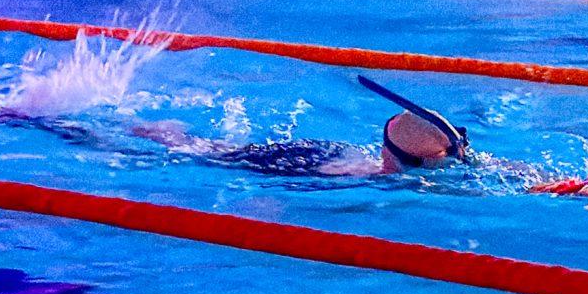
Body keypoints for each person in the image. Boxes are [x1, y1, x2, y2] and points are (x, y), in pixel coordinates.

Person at [132, 75, 470, 178]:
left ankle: (156, 131)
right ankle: (148, 132)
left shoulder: (390, 168)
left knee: (223, 150)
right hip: (305, 164)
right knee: (213, 155)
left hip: (326, 152)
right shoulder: (375, 182)